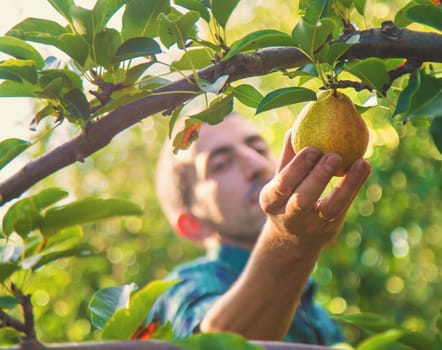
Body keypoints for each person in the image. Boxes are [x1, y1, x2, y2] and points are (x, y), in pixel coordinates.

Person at [147, 112, 371, 345]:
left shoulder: (320, 318)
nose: (257, 165)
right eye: (221, 165)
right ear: (193, 225)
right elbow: (213, 344)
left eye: (259, 149)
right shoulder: (181, 288)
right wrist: (292, 243)